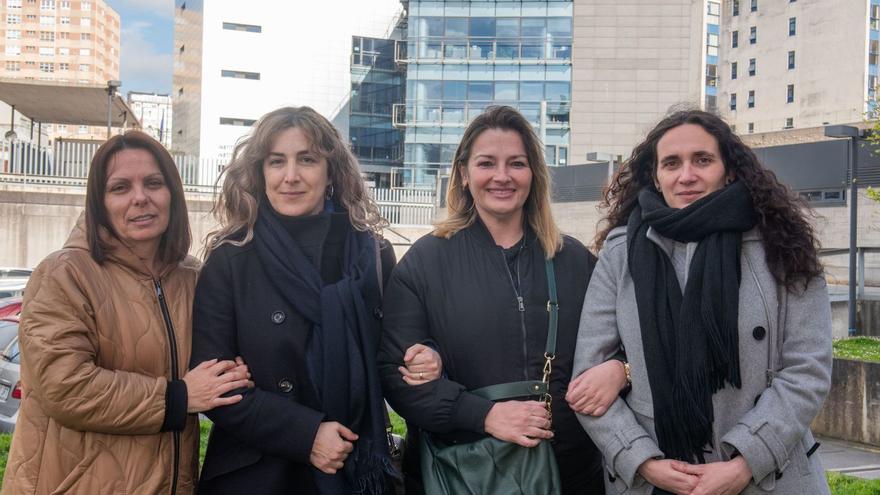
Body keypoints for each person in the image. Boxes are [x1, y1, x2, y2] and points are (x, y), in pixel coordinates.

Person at [570, 110, 832, 495]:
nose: (686, 175)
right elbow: (587, 381)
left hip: (768, 478)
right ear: (656, 177)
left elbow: (808, 370)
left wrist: (746, 462)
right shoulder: (621, 254)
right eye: (671, 163)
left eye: (702, 160)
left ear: (728, 169)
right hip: (655, 479)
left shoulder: (782, 246)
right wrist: (643, 461)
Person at [378, 105, 627, 494]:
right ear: (463, 173)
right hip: (462, 474)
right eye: (486, 163)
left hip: (571, 475)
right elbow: (396, 375)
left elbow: (632, 342)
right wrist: (485, 415)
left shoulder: (576, 260)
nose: (502, 176)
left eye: (516, 163)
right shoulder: (424, 263)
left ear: (534, 174)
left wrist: (620, 371)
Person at [190, 106, 436, 495]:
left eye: (307, 159)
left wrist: (425, 357)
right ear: (260, 173)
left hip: (354, 467)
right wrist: (307, 435)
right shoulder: (231, 260)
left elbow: (397, 355)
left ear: (331, 172)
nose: (291, 176)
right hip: (258, 474)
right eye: (276, 162)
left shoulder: (372, 256)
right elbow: (215, 390)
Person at [2, 131, 251, 495]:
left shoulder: (192, 278)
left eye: (154, 183)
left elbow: (211, 366)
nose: (140, 198)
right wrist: (179, 397)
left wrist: (231, 374)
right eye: (120, 188)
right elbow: (65, 386)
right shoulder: (65, 273)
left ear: (172, 195)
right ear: (99, 202)